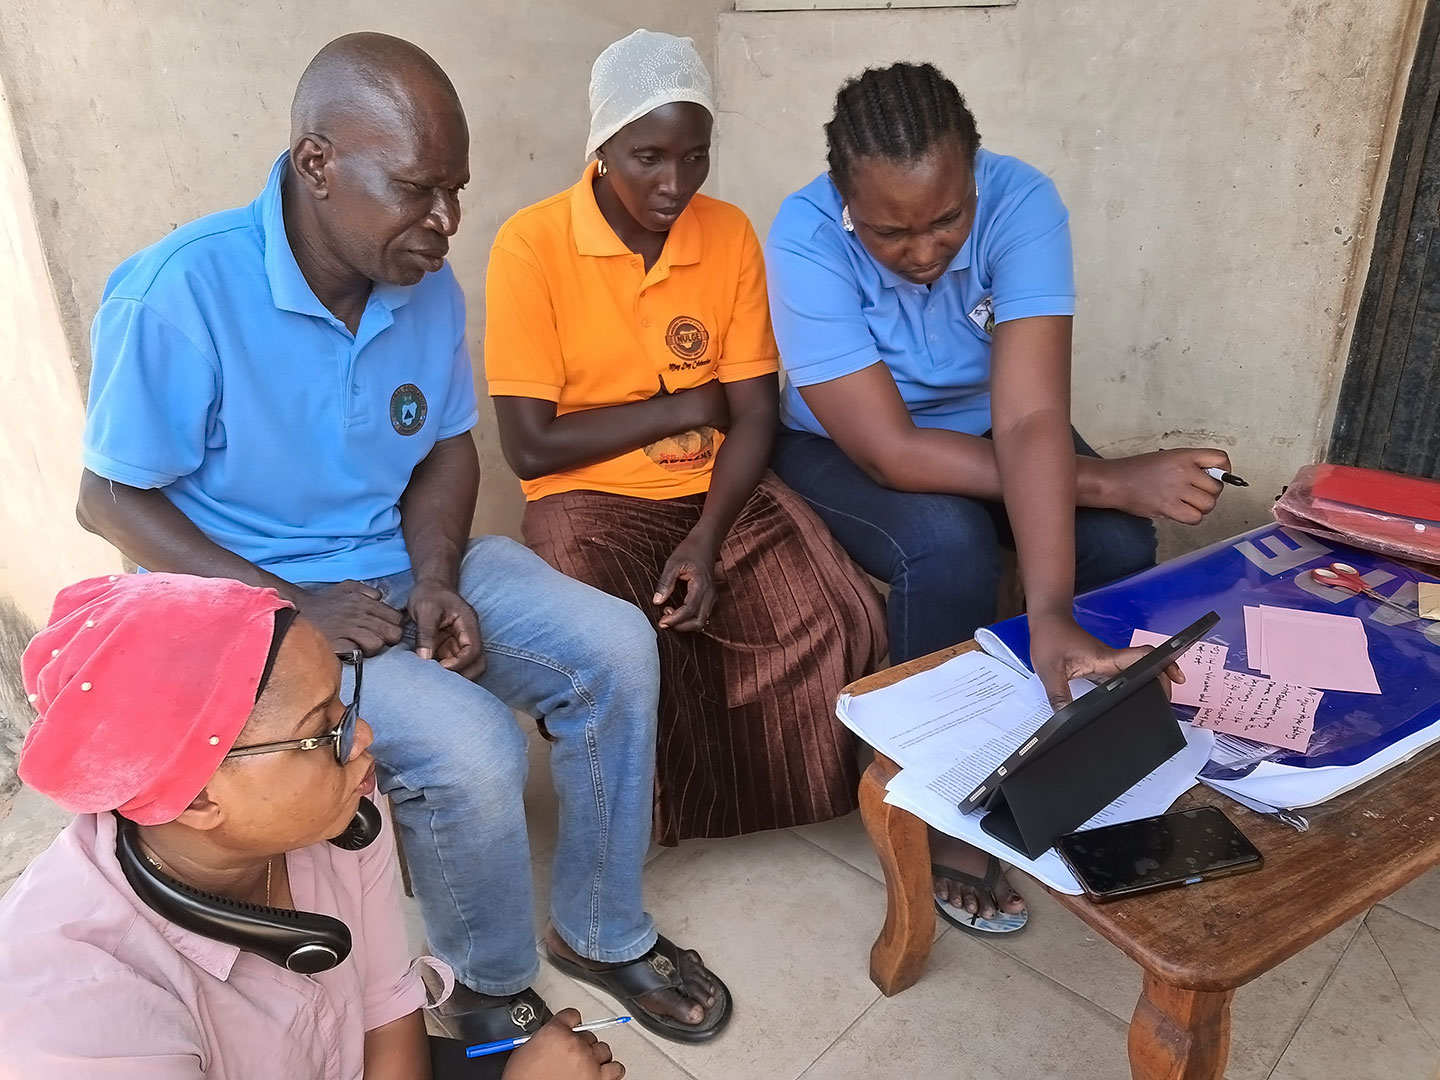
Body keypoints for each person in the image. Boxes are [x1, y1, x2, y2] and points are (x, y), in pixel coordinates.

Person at [75, 33, 728, 1044]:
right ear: (318, 163)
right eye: (420, 189)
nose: (446, 222)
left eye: (455, 192)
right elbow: (110, 499)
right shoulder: (181, 293)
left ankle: (600, 926)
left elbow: (445, 450)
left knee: (613, 648)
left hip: (392, 565)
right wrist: (289, 616)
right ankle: (485, 988)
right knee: (468, 750)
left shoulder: (421, 284)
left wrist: (435, 577)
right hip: (253, 609)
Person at [764, 62, 1228, 935]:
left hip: (991, 428)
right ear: (844, 201)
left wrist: (1053, 604)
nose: (926, 251)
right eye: (890, 233)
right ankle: (938, 796)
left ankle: (1073, 749)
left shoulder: (1022, 204)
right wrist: (1109, 476)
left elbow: (1028, 420)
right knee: (947, 545)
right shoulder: (802, 236)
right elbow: (893, 451)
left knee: (1118, 544)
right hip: (843, 441)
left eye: (946, 220)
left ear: (975, 173)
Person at [485, 29, 885, 846]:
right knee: (621, 636)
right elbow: (531, 447)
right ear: (601, 147)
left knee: (839, 615)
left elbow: (754, 417)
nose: (675, 184)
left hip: (716, 488)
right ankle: (647, 814)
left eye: (695, 157)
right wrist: (685, 405)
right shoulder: (530, 246)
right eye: (649, 157)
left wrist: (705, 537)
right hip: (586, 498)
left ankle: (771, 795)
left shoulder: (729, 234)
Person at [0, 572, 624, 1079]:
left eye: (342, 704)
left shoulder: (342, 812)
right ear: (193, 799)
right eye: (317, 732)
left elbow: (385, 1010)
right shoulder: (74, 1021)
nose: (363, 741)